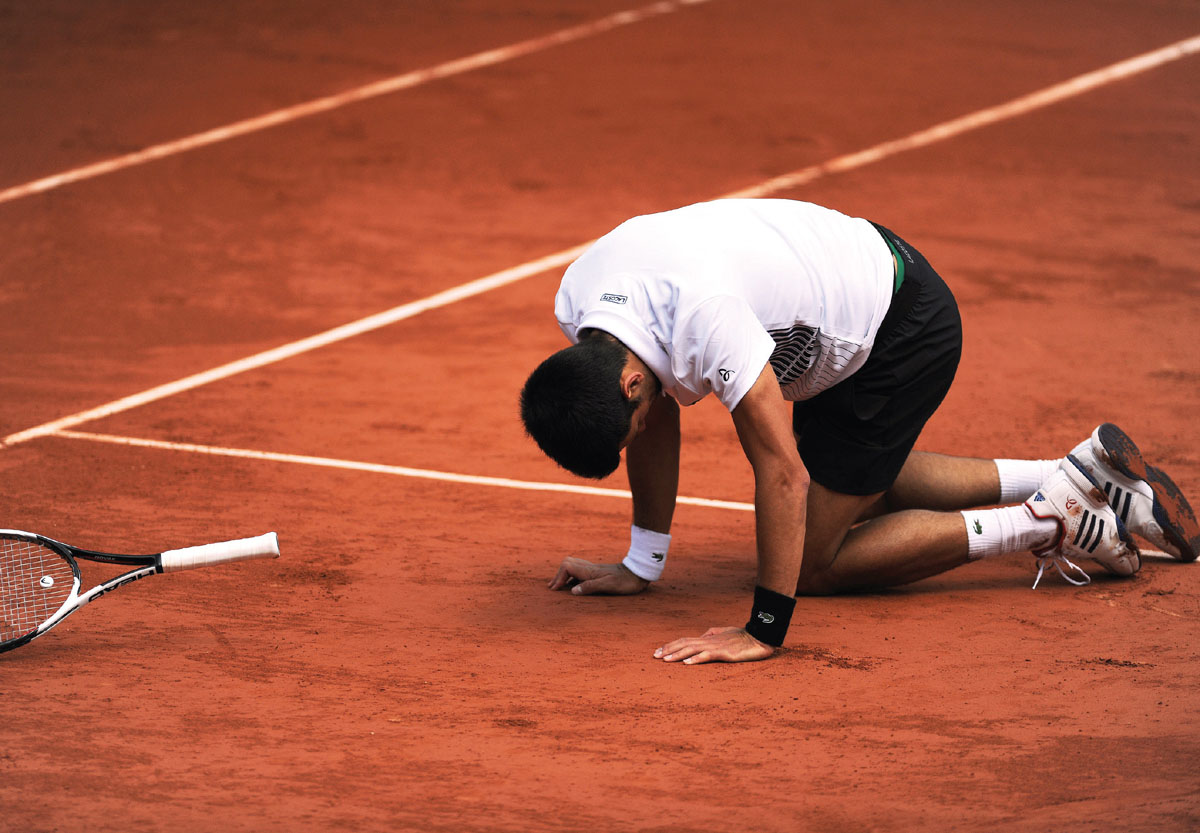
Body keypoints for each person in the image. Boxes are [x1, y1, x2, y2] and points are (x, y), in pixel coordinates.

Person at [519, 198, 1198, 665]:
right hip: (845, 276)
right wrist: (641, 564)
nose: (641, 431)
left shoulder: (704, 320)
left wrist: (763, 630)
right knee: (852, 481)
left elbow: (783, 470)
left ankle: (1046, 519)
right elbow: (657, 415)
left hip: (898, 328)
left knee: (813, 562)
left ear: (628, 382)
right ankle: (1072, 472)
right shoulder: (587, 305)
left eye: (629, 426)